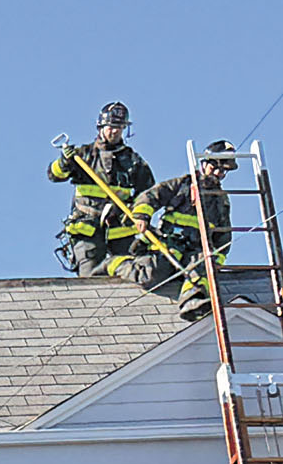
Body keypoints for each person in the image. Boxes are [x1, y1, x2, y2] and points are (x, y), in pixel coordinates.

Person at [128, 141, 237, 319]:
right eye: (215, 168)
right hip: (169, 243)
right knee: (153, 275)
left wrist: (218, 260)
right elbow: (150, 196)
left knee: (204, 264)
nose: (218, 174)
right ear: (204, 164)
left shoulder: (220, 201)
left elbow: (224, 235)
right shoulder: (182, 185)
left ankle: (193, 302)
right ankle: (121, 265)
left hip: (194, 251)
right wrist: (142, 216)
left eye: (223, 171)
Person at [49, 100, 155, 276]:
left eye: (119, 127)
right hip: (87, 228)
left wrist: (137, 213)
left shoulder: (135, 163)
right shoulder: (83, 156)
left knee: (128, 276)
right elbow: (54, 176)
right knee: (89, 279)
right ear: (100, 126)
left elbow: (148, 195)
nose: (114, 131)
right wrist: (64, 162)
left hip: (121, 231)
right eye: (110, 126)